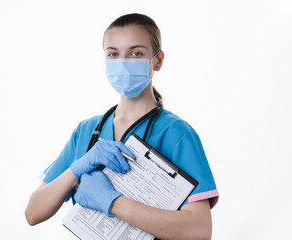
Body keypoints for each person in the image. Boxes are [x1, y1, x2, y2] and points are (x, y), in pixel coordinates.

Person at [25, 13, 219, 240]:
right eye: (113, 54)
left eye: (136, 53)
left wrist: (112, 201)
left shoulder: (176, 133)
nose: (123, 62)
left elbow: (199, 231)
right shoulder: (87, 131)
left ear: (158, 60)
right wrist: (77, 168)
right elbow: (33, 213)